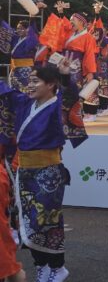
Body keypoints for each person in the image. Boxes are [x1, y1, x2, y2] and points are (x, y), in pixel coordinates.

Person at [0, 60, 85, 282]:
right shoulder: (24, 103)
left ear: (51, 84)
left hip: (49, 173)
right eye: (29, 80)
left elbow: (70, 97)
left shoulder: (58, 105)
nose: (30, 85)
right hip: (24, 171)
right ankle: (42, 265)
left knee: (48, 221)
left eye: (35, 81)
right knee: (27, 222)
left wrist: (66, 77)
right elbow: (6, 92)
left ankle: (57, 267)